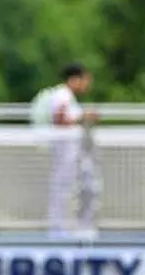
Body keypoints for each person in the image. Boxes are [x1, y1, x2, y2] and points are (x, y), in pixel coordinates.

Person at [29, 63, 99, 238]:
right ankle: (58, 228)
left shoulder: (67, 97)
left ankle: (62, 226)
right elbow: (60, 119)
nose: (87, 85)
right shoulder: (63, 95)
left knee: (67, 187)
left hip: (69, 150)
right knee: (61, 187)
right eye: (85, 80)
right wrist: (83, 117)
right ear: (75, 79)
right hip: (64, 149)